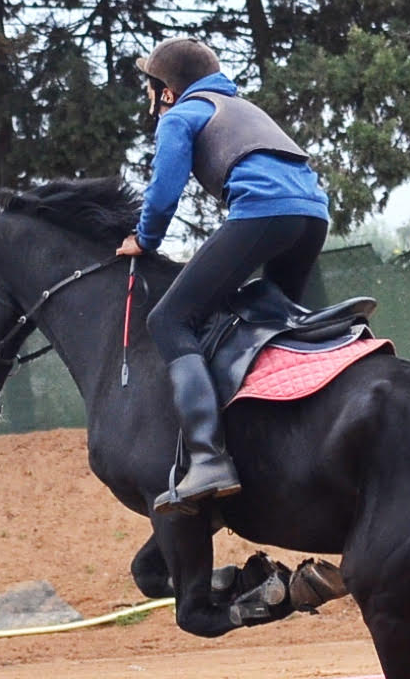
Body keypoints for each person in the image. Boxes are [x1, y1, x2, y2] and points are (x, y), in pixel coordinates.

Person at [118, 38, 331, 510]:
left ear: (166, 92)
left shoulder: (180, 115)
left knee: (169, 320)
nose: (150, 101)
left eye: (151, 89)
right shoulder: (242, 107)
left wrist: (144, 239)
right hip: (313, 216)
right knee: (270, 316)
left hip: (265, 213)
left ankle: (209, 459)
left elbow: (164, 191)